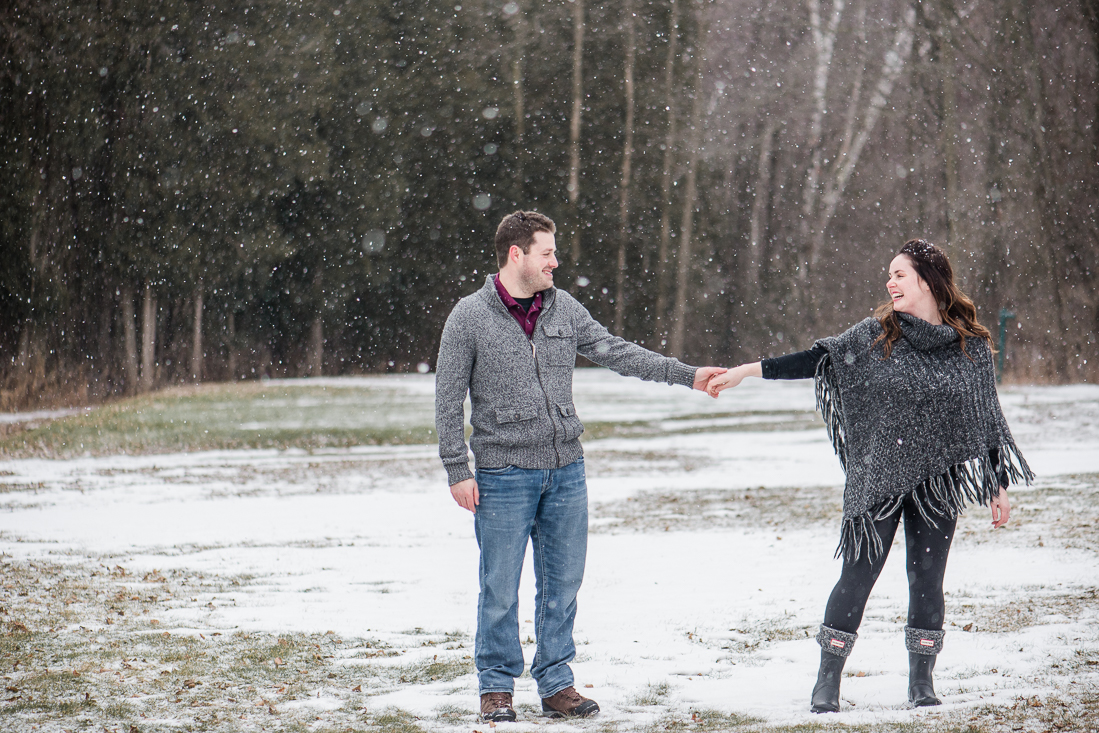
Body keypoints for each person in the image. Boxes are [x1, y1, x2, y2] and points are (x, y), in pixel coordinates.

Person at [707, 239, 1032, 713]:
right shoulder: (874, 335)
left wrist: (996, 483)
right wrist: (747, 371)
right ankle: (827, 682)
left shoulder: (970, 346)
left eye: (899, 274)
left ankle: (921, 682)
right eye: (889, 274)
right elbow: (818, 359)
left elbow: (986, 416)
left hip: (936, 481)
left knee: (927, 579)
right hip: (878, 476)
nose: (890, 282)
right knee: (857, 577)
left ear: (927, 279)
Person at [435, 210, 725, 722]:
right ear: (516, 255)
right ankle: (496, 688)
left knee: (563, 584)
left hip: (566, 470)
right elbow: (447, 396)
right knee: (499, 587)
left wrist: (687, 374)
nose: (556, 262)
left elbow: (616, 352)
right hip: (503, 475)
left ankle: (556, 683)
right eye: (547, 252)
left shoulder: (563, 308)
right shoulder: (469, 316)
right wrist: (458, 468)